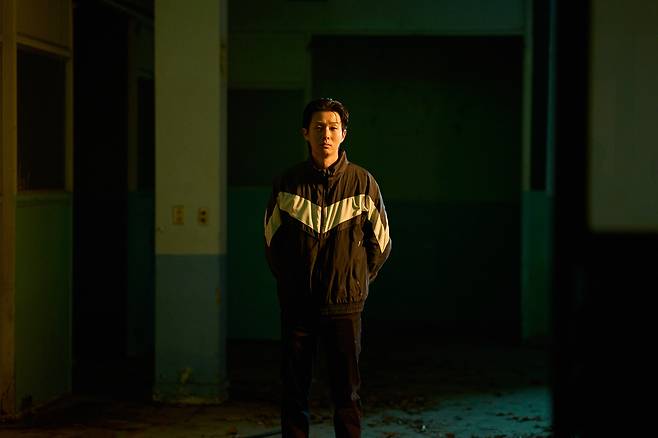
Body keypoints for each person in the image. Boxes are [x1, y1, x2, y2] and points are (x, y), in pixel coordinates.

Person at [263, 98, 392, 437]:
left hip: (345, 307)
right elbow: (272, 243)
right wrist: (292, 282)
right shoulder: (287, 184)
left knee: (347, 394)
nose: (326, 134)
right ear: (305, 133)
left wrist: (355, 281)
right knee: (294, 391)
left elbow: (381, 244)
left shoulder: (363, 183)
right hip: (298, 305)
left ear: (344, 134)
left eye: (333, 127)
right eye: (319, 127)